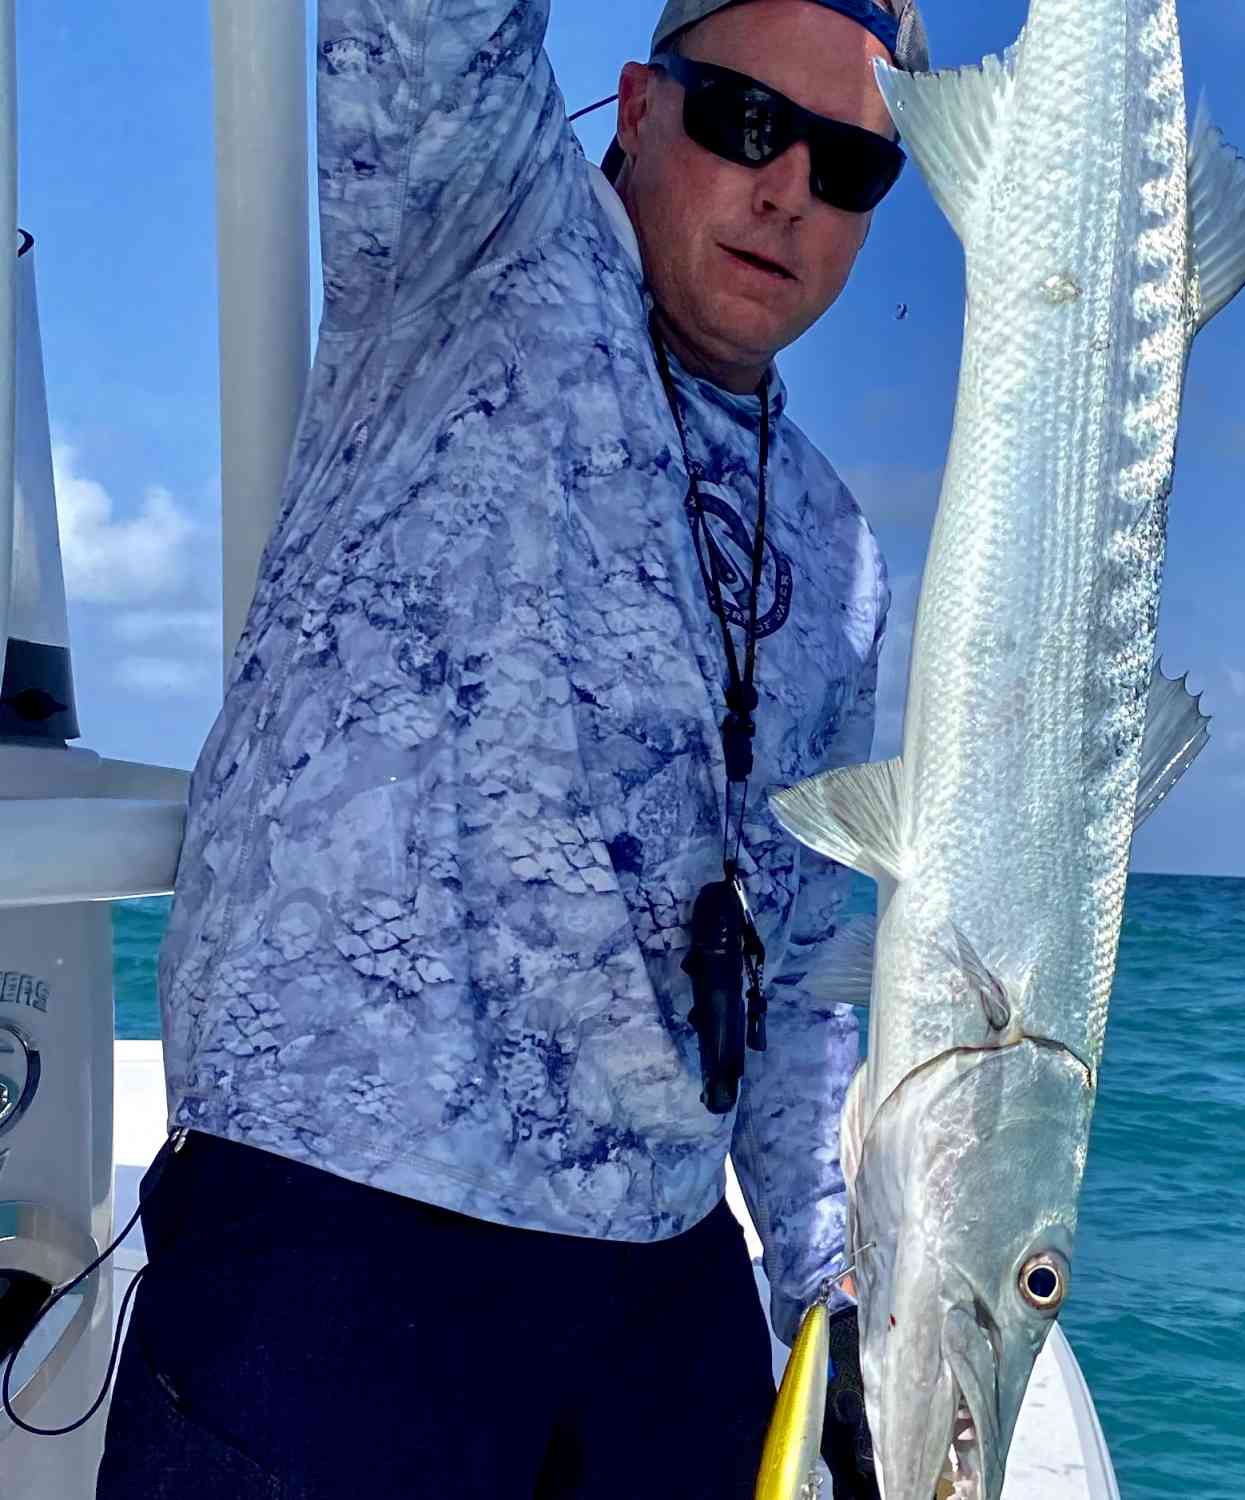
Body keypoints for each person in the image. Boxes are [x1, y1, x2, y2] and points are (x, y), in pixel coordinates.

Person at [95, 1, 927, 1496]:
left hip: (663, 1274)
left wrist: (825, 1292)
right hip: (338, 1207)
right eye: (747, 120)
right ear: (639, 102)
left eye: (852, 166)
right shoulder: (472, 224)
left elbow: (801, 977)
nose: (789, 186)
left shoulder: (843, 555)